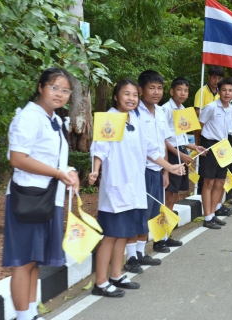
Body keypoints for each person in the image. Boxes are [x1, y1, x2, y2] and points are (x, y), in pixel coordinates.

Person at [89, 79, 184, 297]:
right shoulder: (111, 118)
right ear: (116, 96)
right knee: (111, 236)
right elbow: (99, 149)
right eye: (126, 94)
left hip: (134, 187)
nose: (131, 98)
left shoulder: (136, 118)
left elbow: (151, 149)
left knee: (124, 234)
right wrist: (95, 170)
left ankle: (116, 275)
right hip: (115, 188)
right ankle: (100, 283)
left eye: (134, 95)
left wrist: (169, 166)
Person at [3, 68, 79, 320]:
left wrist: (70, 171)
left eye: (65, 90)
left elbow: (54, 158)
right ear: (40, 87)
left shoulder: (54, 119)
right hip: (27, 199)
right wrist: (58, 174)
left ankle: (31, 313)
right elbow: (18, 158)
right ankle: (23, 316)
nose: (59, 94)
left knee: (35, 260)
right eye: (54, 87)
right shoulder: (29, 116)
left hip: (48, 199)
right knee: (23, 261)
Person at [136, 70, 174, 256]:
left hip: (158, 170)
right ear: (141, 90)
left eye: (159, 88)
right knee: (142, 213)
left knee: (156, 211)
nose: (156, 92)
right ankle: (137, 254)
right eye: (152, 88)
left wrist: (165, 172)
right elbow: (146, 148)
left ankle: (158, 242)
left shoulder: (160, 112)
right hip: (142, 170)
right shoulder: (136, 113)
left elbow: (163, 143)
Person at [162, 77, 206, 231]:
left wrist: (194, 147)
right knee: (169, 193)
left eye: (186, 90)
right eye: (179, 89)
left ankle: (169, 229)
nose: (183, 93)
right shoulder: (166, 109)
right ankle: (163, 231)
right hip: (171, 155)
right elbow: (163, 139)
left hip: (181, 151)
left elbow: (181, 137)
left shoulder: (184, 110)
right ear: (172, 91)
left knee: (175, 194)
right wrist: (179, 154)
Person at [198, 77, 232, 228]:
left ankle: (213, 213)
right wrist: (198, 147)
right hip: (209, 145)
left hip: (224, 146)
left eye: (230, 90)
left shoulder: (230, 108)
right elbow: (198, 127)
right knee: (209, 182)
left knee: (220, 182)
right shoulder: (211, 107)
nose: (227, 93)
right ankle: (207, 217)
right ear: (219, 91)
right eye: (224, 90)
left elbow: (229, 130)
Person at [193, 66, 224, 145]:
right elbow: (197, 111)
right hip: (202, 128)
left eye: (219, 78)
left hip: (216, 129)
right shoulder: (202, 91)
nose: (216, 81)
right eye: (214, 78)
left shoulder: (221, 93)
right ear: (209, 77)